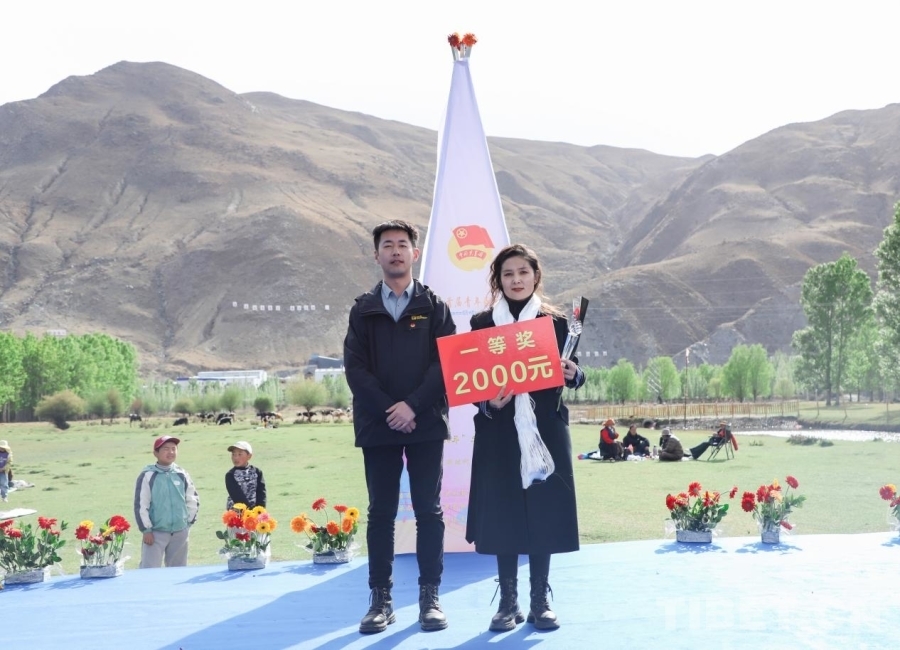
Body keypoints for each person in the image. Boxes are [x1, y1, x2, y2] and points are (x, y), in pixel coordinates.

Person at [466, 243, 586, 632]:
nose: (516, 280)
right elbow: (472, 383)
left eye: (523, 272)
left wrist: (575, 374)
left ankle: (539, 601)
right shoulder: (482, 324)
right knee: (503, 514)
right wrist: (489, 403)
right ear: (498, 281)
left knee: (543, 512)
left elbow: (575, 372)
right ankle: (508, 603)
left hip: (545, 432)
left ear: (536, 276)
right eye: (508, 274)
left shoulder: (558, 324)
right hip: (498, 434)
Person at [344, 219, 456, 634]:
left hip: (425, 422)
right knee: (381, 513)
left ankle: (430, 598)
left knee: (429, 510)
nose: (395, 251)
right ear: (376, 255)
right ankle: (381, 600)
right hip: (378, 424)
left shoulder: (435, 306)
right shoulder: (362, 310)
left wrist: (412, 406)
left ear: (415, 253)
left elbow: (445, 363)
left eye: (402, 244)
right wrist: (390, 409)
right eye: (387, 245)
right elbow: (355, 369)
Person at [134, 435, 200, 568]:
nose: (170, 452)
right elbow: (141, 504)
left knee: (178, 571)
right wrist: (146, 530)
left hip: (180, 531)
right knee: (149, 570)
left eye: (173, 449)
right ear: (155, 453)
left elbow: (192, 499)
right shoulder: (148, 475)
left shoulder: (181, 473)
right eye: (165, 449)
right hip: (155, 532)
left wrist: (188, 523)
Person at [225, 441, 267, 510]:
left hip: (255, 512)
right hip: (236, 512)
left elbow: (261, 494)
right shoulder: (230, 475)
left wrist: (259, 510)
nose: (236, 458)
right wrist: (249, 512)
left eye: (240, 454)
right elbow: (237, 496)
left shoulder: (257, 472)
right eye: (233, 454)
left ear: (249, 456)